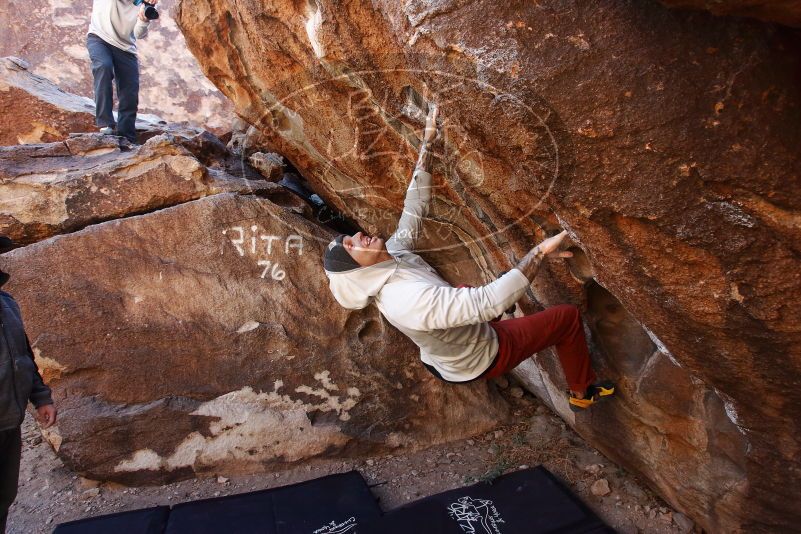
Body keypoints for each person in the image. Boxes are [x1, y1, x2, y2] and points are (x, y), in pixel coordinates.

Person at [323, 105, 614, 411]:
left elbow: (414, 211)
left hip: (447, 347)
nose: (357, 237)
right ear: (359, 272)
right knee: (565, 318)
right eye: (352, 247)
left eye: (350, 238)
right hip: (482, 357)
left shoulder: (393, 256)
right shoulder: (406, 299)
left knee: (470, 295)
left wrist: (429, 143)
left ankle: (499, 306)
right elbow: (486, 303)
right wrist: (539, 253)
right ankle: (581, 393)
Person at [0, 237, 57, 533]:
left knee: (3, 497)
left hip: (9, 422)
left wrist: (41, 397)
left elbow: (21, 356)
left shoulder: (7, 302)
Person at [86, 0, 159, 143]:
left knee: (130, 91)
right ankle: (105, 124)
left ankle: (127, 137)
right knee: (103, 67)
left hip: (126, 47)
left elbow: (138, 34)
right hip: (99, 38)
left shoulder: (144, 2)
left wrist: (144, 19)